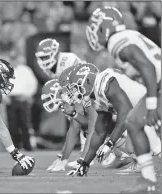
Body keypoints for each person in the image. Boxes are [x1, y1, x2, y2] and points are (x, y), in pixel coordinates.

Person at [85, 6, 161, 193]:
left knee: (135, 122)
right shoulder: (127, 36)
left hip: (158, 86)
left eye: (96, 27)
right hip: (157, 86)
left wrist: (151, 104)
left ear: (104, 28)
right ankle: (149, 180)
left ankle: (150, 179)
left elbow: (148, 68)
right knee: (133, 122)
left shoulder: (117, 42)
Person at [35, 41, 98, 169]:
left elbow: (78, 82)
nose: (44, 60)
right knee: (80, 122)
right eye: (42, 57)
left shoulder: (67, 62)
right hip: (82, 93)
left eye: (46, 56)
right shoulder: (52, 69)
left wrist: (62, 158)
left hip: (90, 93)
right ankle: (86, 155)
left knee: (79, 123)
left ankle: (86, 156)